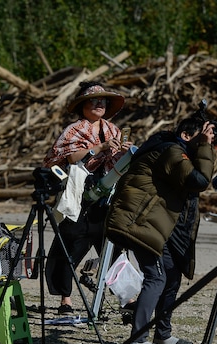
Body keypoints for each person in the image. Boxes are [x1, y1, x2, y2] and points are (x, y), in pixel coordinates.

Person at [105, 114, 217, 344]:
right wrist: (205, 147)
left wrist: (205, 147)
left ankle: (162, 334)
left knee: (171, 273)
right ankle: (137, 340)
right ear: (187, 136)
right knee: (156, 277)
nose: (206, 143)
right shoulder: (170, 151)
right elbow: (198, 180)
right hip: (138, 222)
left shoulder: (172, 149)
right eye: (202, 137)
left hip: (146, 222)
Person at [43, 81, 134, 313]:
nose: (99, 104)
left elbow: (121, 164)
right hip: (79, 193)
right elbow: (69, 157)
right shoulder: (74, 130)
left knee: (112, 247)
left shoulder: (114, 130)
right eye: (94, 100)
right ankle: (65, 298)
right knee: (70, 243)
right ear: (83, 105)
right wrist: (100, 147)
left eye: (103, 101)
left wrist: (125, 153)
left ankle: (128, 299)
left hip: (107, 195)